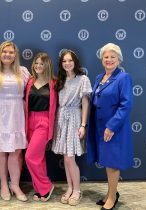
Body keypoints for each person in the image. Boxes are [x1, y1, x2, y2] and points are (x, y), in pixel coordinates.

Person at [87, 43, 133, 210]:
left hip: (113, 128)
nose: (109, 59)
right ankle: (110, 193)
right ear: (102, 59)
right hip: (99, 126)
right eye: (106, 57)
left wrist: (111, 126)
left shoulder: (123, 77)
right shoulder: (99, 77)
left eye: (113, 57)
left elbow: (125, 105)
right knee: (107, 162)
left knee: (113, 163)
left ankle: (112, 198)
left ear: (119, 59)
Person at [0, 41, 30, 202]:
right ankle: (3, 184)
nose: (7, 55)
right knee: (0, 150)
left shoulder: (23, 72)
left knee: (16, 151)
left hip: (16, 112)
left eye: (10, 52)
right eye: (4, 52)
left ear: (15, 55)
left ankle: (15, 185)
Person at [51, 50, 92, 206]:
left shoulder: (83, 79)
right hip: (61, 118)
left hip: (75, 117)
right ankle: (69, 188)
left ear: (75, 62)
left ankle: (77, 190)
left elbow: (85, 103)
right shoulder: (60, 80)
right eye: (64, 61)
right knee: (66, 158)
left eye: (70, 60)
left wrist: (83, 124)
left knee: (70, 157)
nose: (67, 63)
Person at [25, 52, 57, 202]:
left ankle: (46, 186)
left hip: (44, 121)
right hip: (30, 120)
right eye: (36, 63)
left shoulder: (54, 83)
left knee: (30, 156)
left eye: (41, 63)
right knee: (39, 157)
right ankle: (39, 188)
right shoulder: (30, 81)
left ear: (47, 65)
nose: (38, 66)